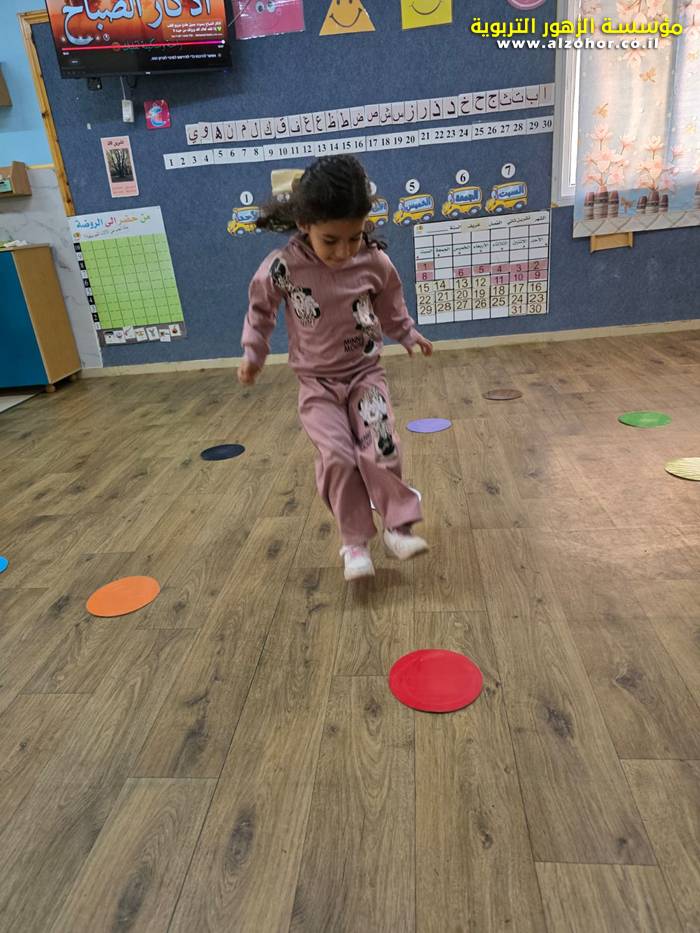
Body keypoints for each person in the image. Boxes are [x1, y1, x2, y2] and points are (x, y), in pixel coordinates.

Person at [238, 155, 433, 581]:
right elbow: (261, 309)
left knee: (382, 446)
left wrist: (407, 333)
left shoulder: (373, 261)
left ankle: (397, 527)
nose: (344, 252)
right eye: (330, 240)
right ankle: (354, 542)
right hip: (317, 384)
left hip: (365, 374)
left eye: (354, 237)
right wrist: (253, 353)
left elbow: (390, 301)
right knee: (339, 458)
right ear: (304, 223)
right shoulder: (283, 266)